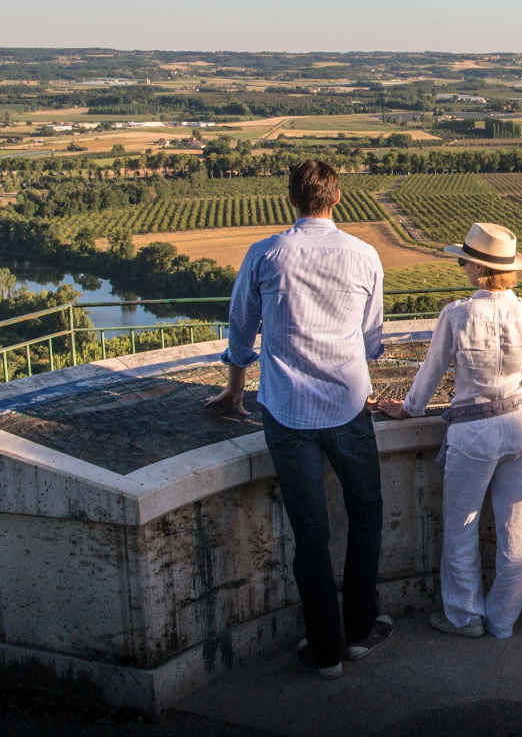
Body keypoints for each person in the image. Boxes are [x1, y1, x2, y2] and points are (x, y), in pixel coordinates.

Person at [204, 159, 392, 678]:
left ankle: (325, 649)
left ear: (292, 199)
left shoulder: (266, 254)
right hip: (349, 406)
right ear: (337, 198)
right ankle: (360, 628)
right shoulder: (364, 255)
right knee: (366, 512)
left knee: (309, 532)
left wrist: (235, 389)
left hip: (286, 412)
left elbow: (241, 330)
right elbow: (372, 341)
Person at [376, 222, 522, 639]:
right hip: (520, 427)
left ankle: (464, 616)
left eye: (463, 261)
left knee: (461, 526)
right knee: (517, 533)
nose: (461, 267)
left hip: (472, 432)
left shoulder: (457, 315)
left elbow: (431, 371)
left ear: (476, 267)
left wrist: (407, 409)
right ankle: (504, 620)